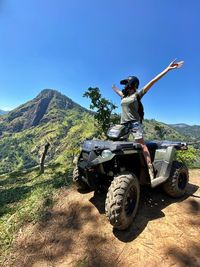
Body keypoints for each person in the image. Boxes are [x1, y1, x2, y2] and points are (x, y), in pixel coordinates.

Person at [112, 59, 184, 179]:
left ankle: (150, 169)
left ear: (132, 84)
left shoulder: (137, 95)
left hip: (134, 124)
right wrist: (113, 87)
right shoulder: (124, 96)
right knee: (118, 145)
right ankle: (120, 168)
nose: (125, 86)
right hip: (123, 125)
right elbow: (118, 91)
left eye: (127, 84)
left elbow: (153, 81)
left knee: (142, 146)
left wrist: (168, 69)